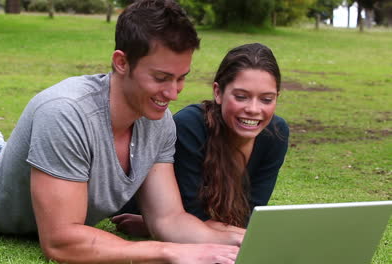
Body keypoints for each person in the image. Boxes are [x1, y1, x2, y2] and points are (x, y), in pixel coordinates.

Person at [0, 1, 242, 263]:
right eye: (160, 77)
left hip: (4, 165)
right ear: (121, 62)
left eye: (181, 77)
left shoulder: (159, 121)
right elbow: (61, 241)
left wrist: (232, 240)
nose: (173, 93)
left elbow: (167, 218)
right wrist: (169, 253)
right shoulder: (66, 112)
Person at [112, 43, 290, 237]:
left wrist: (150, 228)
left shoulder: (275, 133)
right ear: (218, 93)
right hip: (152, 213)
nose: (254, 109)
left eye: (266, 99)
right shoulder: (190, 127)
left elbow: (252, 218)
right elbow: (193, 216)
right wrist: (158, 226)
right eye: (241, 97)